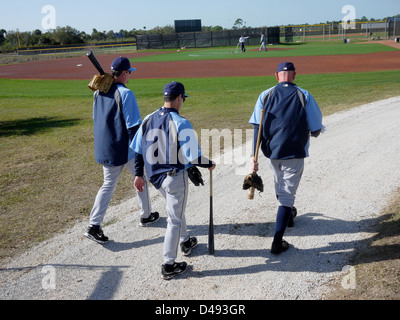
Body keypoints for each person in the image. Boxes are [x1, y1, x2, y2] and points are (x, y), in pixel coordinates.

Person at [131, 81, 216, 280]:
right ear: (179, 98)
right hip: (174, 178)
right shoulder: (181, 122)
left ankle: (186, 241)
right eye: (183, 99)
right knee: (174, 219)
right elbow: (194, 157)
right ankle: (168, 265)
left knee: (174, 209)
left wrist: (138, 174)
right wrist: (210, 164)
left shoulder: (148, 118)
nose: (183, 102)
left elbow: (137, 150)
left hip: (155, 178)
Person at [249, 62, 323, 254]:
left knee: (279, 187)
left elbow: (257, 128)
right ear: (294, 75)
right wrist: (313, 131)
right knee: (286, 195)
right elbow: (315, 129)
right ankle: (277, 241)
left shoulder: (265, 95)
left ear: (276, 76)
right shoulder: (304, 95)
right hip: (294, 152)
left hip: (271, 153)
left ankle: (288, 214)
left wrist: (252, 157)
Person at [84, 57, 159, 245]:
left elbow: (98, 119)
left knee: (108, 185)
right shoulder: (126, 94)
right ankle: (148, 215)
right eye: (129, 73)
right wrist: (141, 151)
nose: (130, 76)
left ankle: (96, 224)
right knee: (143, 176)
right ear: (123, 73)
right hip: (125, 149)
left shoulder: (98, 92)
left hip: (106, 147)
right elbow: (134, 128)